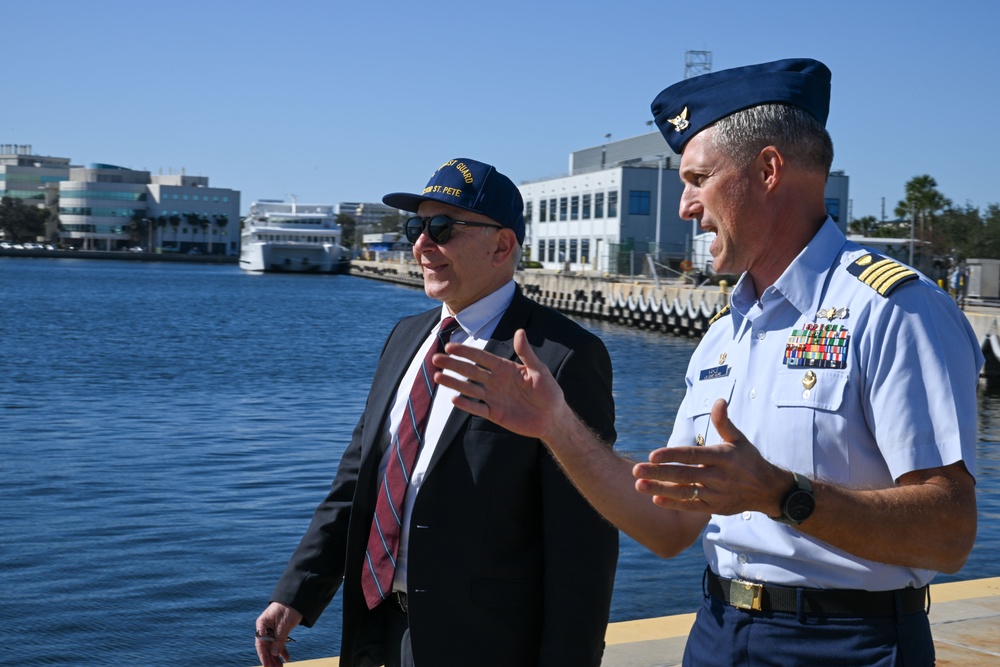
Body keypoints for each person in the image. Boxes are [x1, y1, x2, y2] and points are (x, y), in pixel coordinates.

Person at [432, 59, 983, 666]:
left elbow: (949, 533)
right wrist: (555, 425)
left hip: (849, 643)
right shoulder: (724, 335)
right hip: (718, 632)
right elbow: (669, 528)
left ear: (768, 170)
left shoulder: (892, 310)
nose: (686, 206)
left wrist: (782, 494)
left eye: (699, 179)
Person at [255, 158, 619, 667]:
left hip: (486, 645)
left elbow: (583, 541)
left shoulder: (561, 356)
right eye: (415, 227)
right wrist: (296, 593)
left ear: (502, 245)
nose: (422, 245)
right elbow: (359, 480)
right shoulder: (405, 337)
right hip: (379, 631)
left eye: (442, 228)